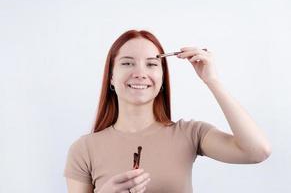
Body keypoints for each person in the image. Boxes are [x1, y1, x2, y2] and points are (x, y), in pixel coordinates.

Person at [63, 29, 271, 193]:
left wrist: (212, 80)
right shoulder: (83, 149)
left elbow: (257, 151)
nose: (140, 73)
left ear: (162, 79)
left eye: (151, 64)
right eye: (127, 63)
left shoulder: (190, 134)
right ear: (111, 77)